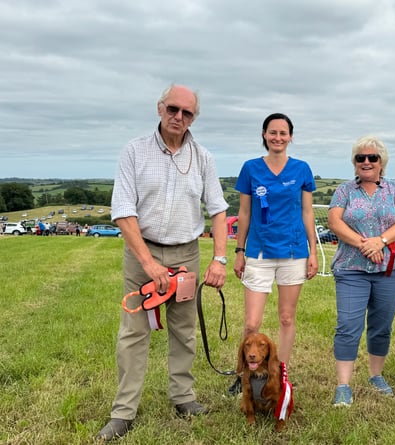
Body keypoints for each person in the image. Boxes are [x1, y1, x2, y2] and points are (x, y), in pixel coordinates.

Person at [97, 84, 229, 441]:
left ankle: (183, 397)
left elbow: (218, 211)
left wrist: (219, 258)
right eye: (173, 109)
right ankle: (123, 412)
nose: (179, 117)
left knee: (184, 330)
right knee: (134, 332)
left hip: (187, 253)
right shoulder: (135, 151)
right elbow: (123, 211)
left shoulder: (203, 157)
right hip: (143, 251)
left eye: (187, 113)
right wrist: (149, 264)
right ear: (160, 108)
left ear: (194, 118)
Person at [228, 113, 318, 395]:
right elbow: (244, 213)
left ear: (290, 136)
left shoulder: (302, 169)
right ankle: (243, 376)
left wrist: (313, 251)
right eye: (272, 132)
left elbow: (307, 212)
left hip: (293, 252)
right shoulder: (250, 168)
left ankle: (280, 374)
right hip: (258, 251)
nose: (278, 137)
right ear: (264, 135)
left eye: (283, 132)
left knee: (287, 318)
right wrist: (239, 251)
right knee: (252, 323)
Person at [328, 136, 395, 407]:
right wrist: (365, 244)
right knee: (348, 327)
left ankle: (376, 375)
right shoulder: (344, 191)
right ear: (354, 163)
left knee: (382, 326)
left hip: (389, 270)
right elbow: (334, 221)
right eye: (360, 158)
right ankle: (343, 385)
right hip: (351, 268)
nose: (366, 162)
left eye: (372, 158)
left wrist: (382, 241)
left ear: (381, 162)